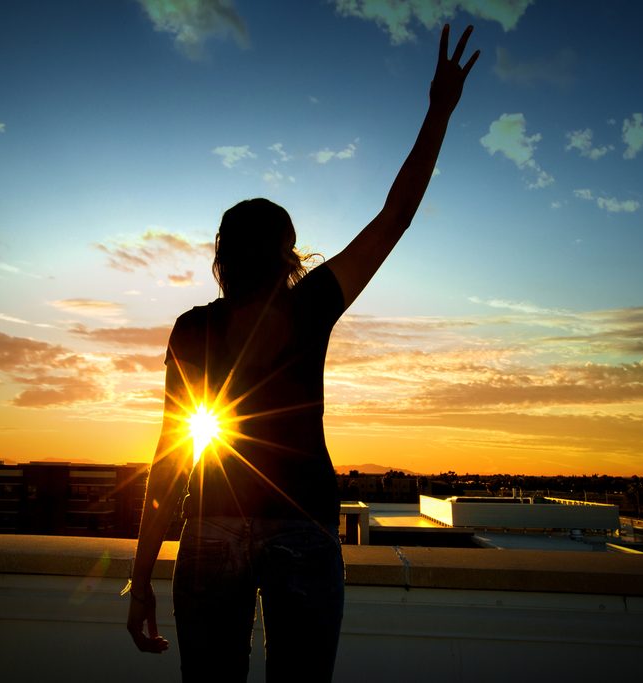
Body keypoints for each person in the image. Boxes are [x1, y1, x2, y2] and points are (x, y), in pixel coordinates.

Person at [127, 24, 479, 682]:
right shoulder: (308, 304)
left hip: (210, 529)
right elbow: (394, 217)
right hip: (302, 525)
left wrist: (142, 575)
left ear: (221, 257)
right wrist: (438, 111)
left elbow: (168, 461)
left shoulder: (189, 330)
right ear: (288, 256)